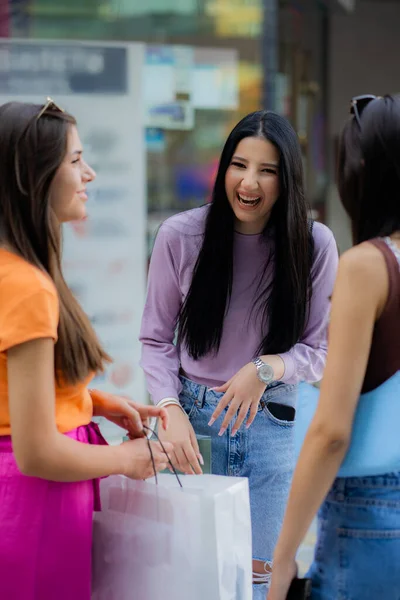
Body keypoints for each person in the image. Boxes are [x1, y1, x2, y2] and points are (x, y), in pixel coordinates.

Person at [139, 110, 338, 599]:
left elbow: (319, 350)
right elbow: (154, 340)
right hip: (190, 430)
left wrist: (264, 367)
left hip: (270, 427)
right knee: (189, 579)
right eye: (239, 165)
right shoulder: (180, 236)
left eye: (267, 170)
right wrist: (168, 409)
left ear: (287, 178)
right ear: (224, 167)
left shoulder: (314, 245)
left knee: (258, 581)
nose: (249, 183)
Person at [0, 99, 172, 600]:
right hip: (36, 507)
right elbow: (37, 452)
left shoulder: (15, 270)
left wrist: (92, 402)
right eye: (75, 161)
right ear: (34, 174)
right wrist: (128, 459)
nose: (89, 174)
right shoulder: (27, 285)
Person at [268, 94, 400, 600]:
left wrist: (280, 561)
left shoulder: (369, 265)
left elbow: (330, 434)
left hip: (373, 514)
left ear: (363, 170)